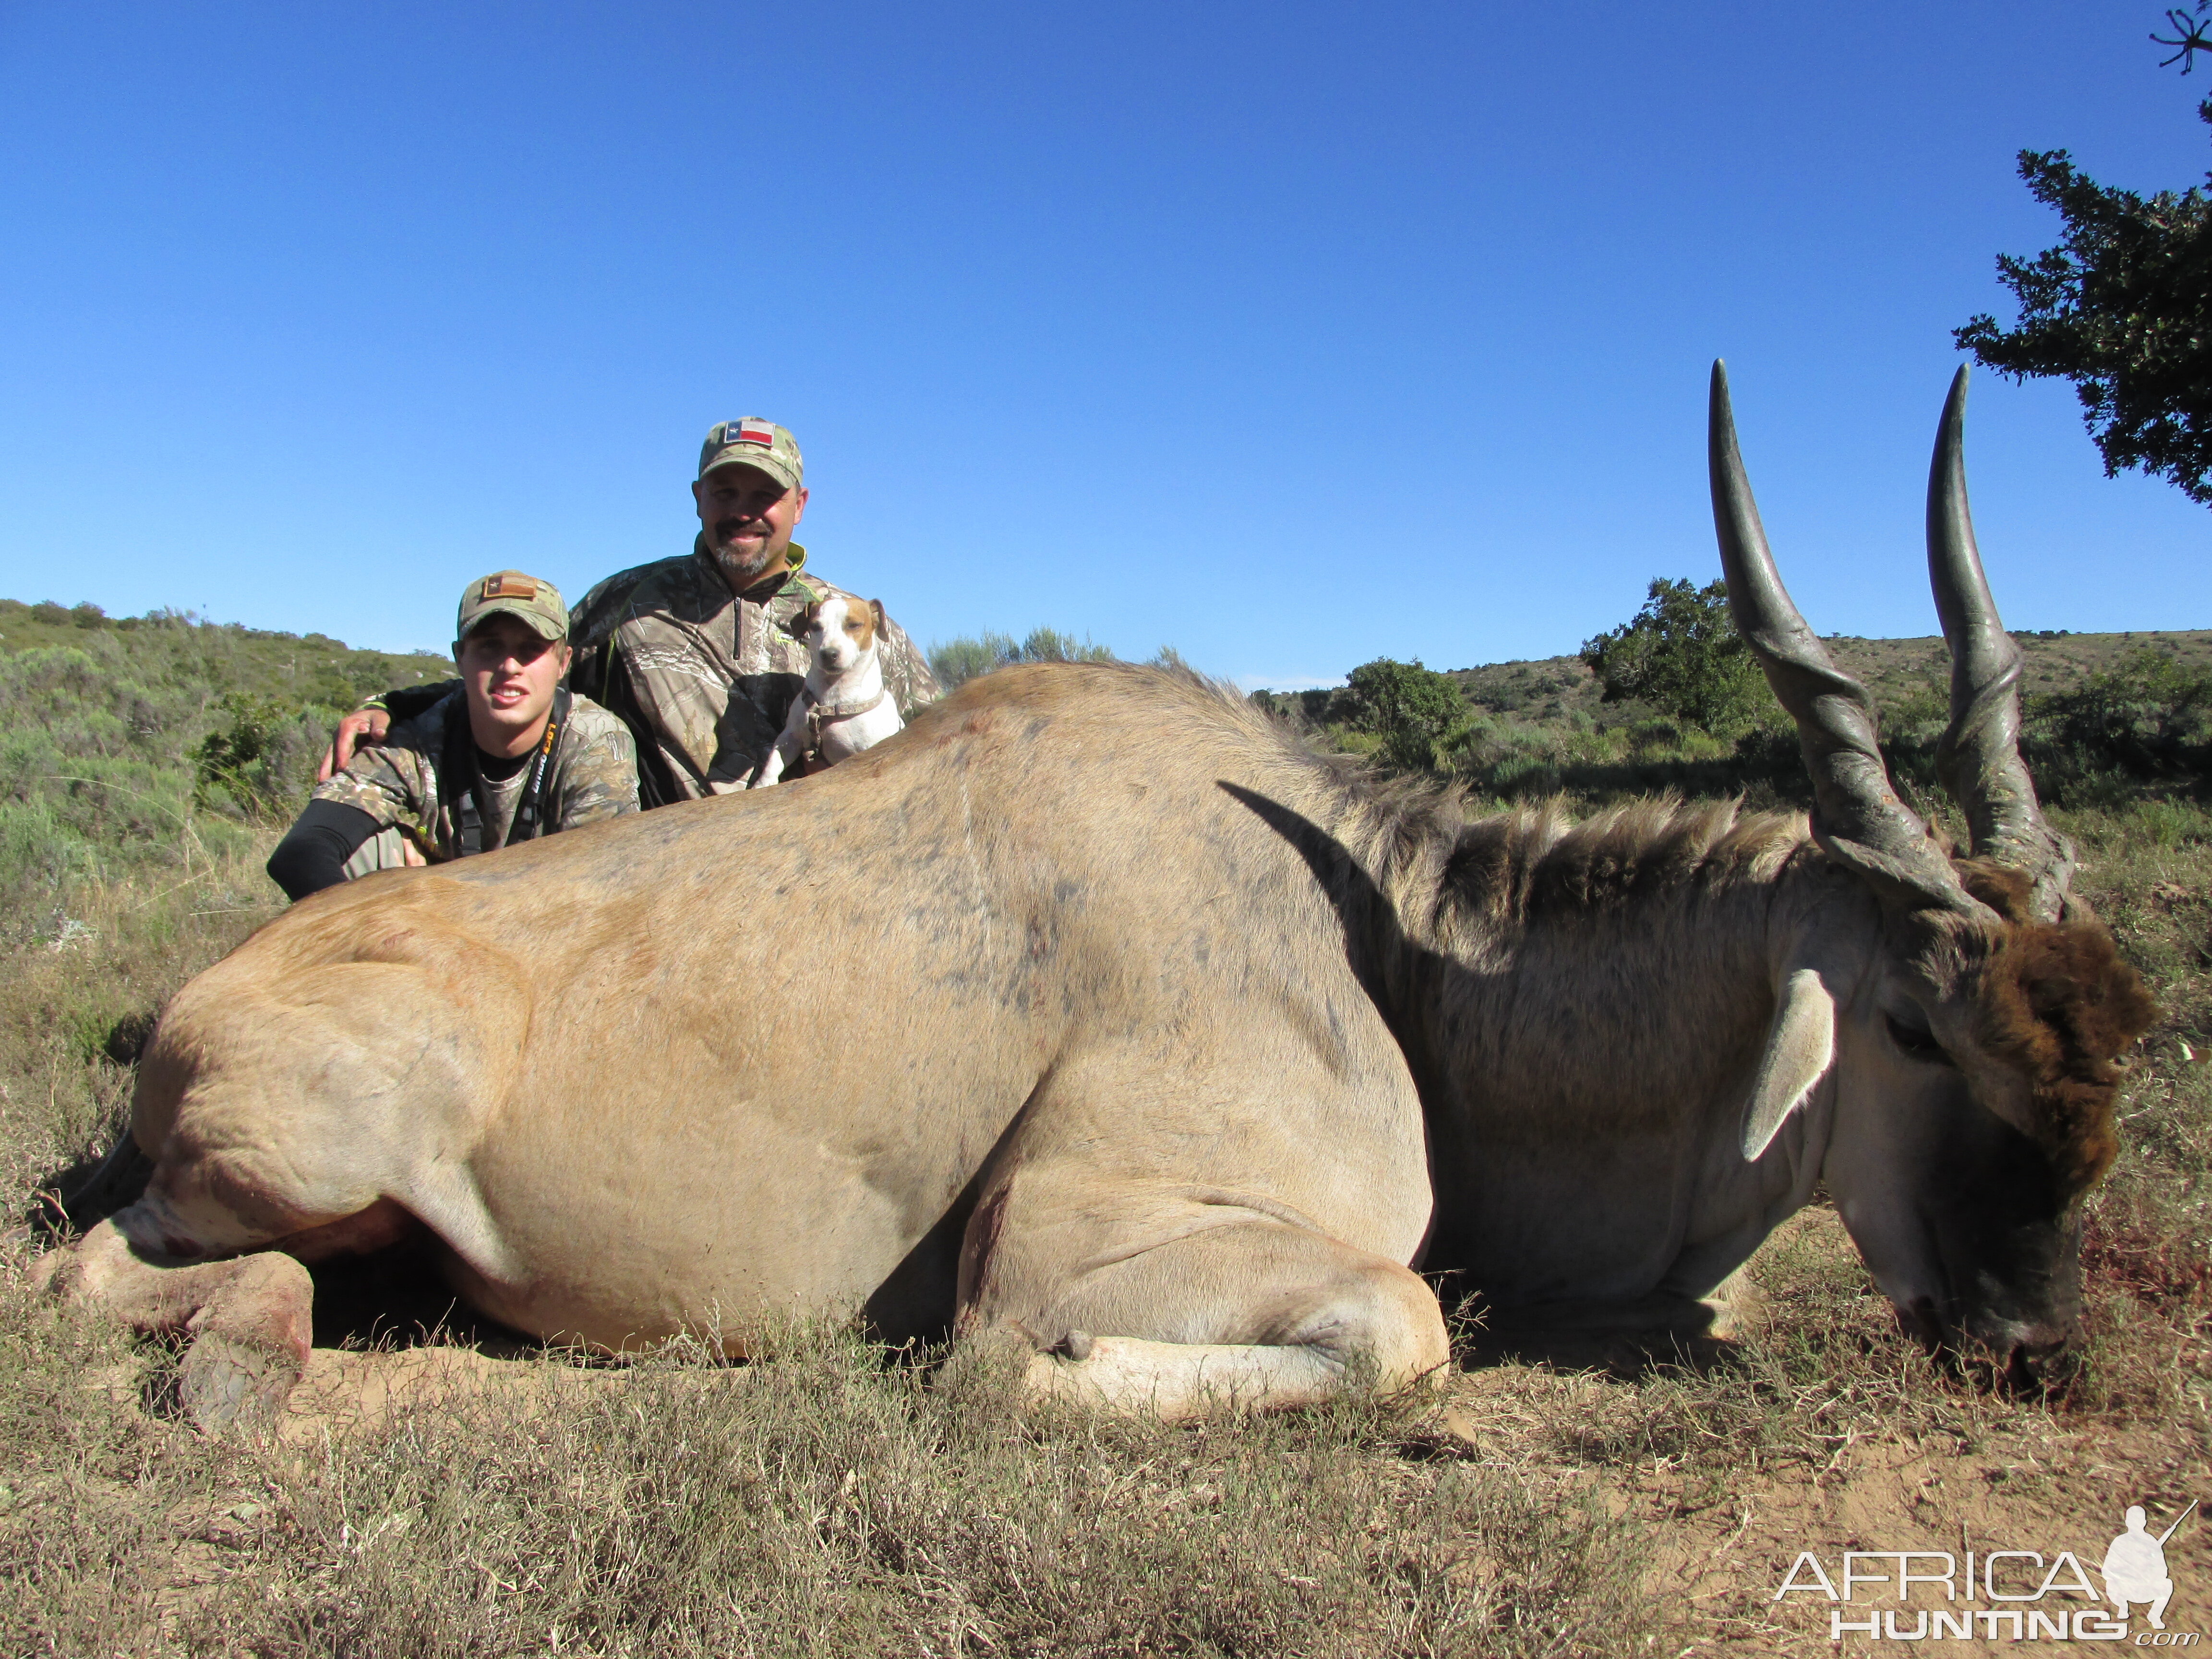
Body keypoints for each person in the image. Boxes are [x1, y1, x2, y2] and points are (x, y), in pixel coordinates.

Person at [322, 418, 940, 805]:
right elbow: (522, 672)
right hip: (665, 876)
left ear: (799, 505)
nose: (744, 510)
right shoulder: (627, 602)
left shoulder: (856, 622)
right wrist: (394, 708)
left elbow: (940, 739)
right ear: (698, 498)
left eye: (765, 496)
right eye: (726, 492)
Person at [269, 570, 638, 901]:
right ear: (460, 658)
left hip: (540, 918)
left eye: (531, 650)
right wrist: (371, 931)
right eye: (489, 647)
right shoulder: (412, 739)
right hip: (425, 925)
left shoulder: (595, 740)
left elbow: (595, 886)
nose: (509, 666)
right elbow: (301, 852)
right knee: (367, 849)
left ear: (563, 663)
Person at [2103, 1505, 2176, 1630]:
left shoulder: (2151, 1543)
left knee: (2167, 1584)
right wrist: (2126, 1576)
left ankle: (2155, 1615)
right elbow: (2107, 1570)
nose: (2136, 1524)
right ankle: (2123, 1607)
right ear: (2127, 1522)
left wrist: (2149, 1574)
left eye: (2139, 1521)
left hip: (2146, 1589)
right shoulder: (2120, 1542)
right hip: (2125, 1589)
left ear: (2144, 1522)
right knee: (2111, 1584)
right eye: (2133, 1521)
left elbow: (2163, 1570)